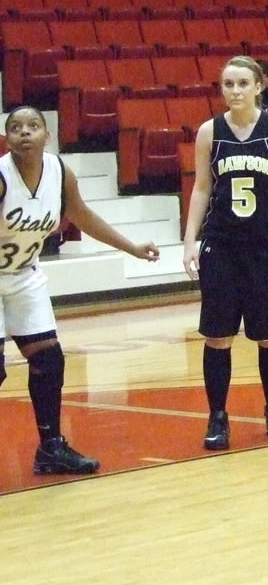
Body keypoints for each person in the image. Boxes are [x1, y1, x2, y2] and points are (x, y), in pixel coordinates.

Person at [0, 106, 160, 475]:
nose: (25, 132)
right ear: (7, 138)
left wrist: (131, 247)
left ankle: (51, 448)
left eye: (33, 126)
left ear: (47, 135)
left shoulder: (59, 173)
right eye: (16, 128)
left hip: (24, 274)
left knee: (49, 359)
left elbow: (82, 216)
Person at [182, 57, 268, 452]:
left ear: (258, 87)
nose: (234, 91)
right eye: (227, 84)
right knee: (217, 336)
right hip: (221, 245)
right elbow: (202, 188)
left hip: (265, 245)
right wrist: (189, 241)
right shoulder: (209, 132)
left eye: (241, 83)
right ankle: (218, 417)